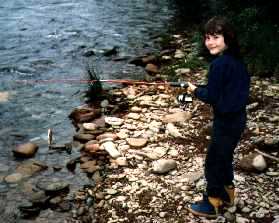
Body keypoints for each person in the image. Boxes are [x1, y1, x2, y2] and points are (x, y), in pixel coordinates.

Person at [182, 16, 250, 218]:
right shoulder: (237, 61)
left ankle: (212, 203)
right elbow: (223, 90)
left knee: (213, 161)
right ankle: (228, 194)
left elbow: (212, 96)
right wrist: (202, 89)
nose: (210, 42)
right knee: (225, 157)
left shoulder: (219, 64)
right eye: (207, 37)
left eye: (215, 37)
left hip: (225, 122)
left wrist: (194, 90)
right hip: (238, 119)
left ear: (227, 37)